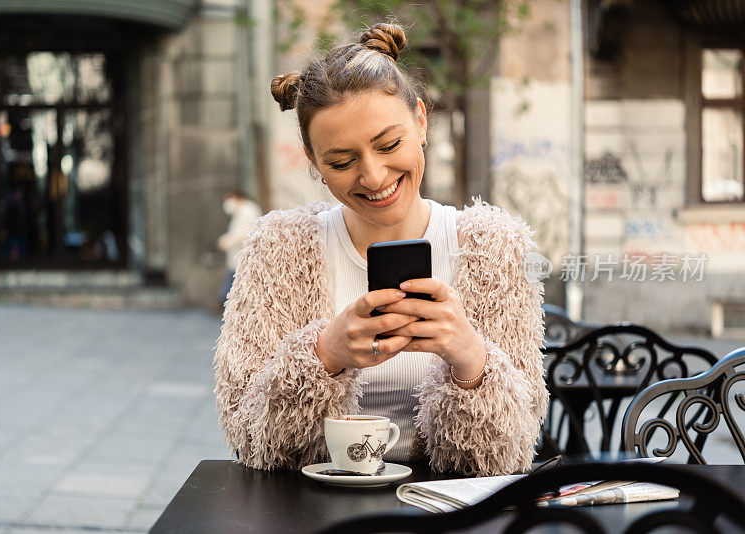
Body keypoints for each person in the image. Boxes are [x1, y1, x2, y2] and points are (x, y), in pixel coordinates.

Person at [214, 23, 547, 476]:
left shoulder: (496, 247)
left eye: (389, 144)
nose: (372, 177)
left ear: (422, 121)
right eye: (342, 162)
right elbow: (251, 441)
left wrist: (470, 360)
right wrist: (324, 356)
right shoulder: (277, 249)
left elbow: (510, 454)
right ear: (314, 163)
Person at [216, 190, 262, 311]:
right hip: (239, 255)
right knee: (233, 279)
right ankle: (223, 302)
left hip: (243, 254)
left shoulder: (247, 210)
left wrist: (227, 241)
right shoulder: (243, 211)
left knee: (234, 279)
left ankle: (223, 303)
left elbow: (242, 232)